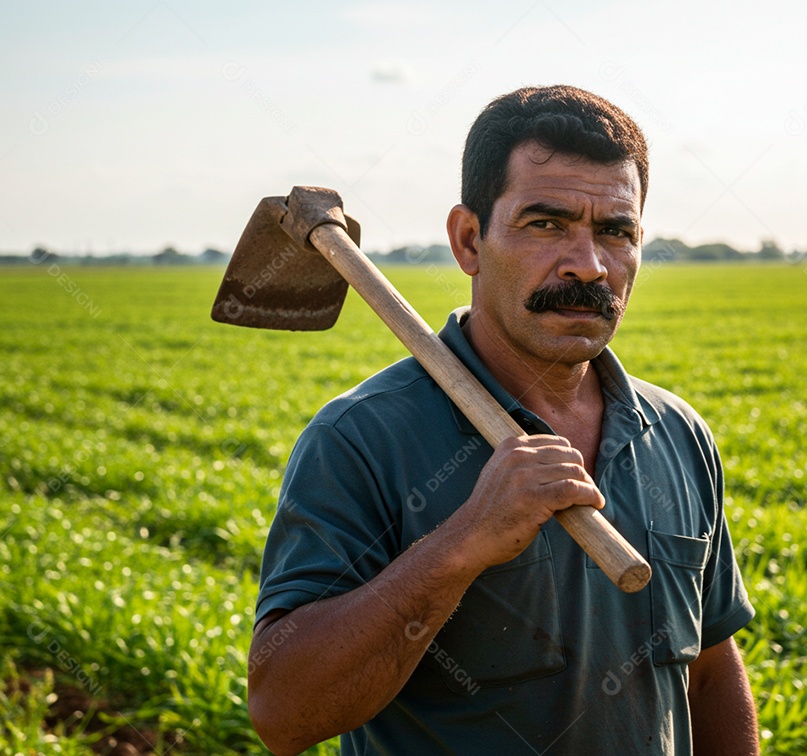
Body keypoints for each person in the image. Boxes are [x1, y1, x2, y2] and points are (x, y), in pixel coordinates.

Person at [248, 85, 759, 755]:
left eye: (616, 231)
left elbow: (709, 668)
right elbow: (286, 713)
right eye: (545, 223)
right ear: (468, 241)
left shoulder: (676, 432)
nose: (589, 264)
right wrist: (462, 541)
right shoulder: (361, 440)